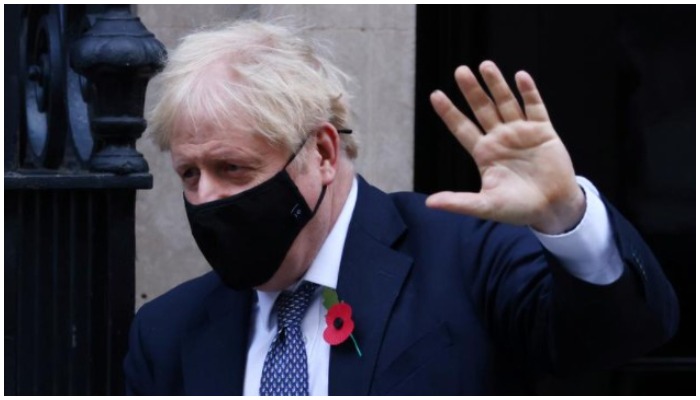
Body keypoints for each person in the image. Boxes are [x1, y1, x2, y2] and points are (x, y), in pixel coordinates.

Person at [123, 20, 678, 395]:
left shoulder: (464, 256)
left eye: (233, 168)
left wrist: (565, 217)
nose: (206, 198)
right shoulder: (167, 331)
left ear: (320, 151)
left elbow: (617, 337)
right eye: (189, 175)